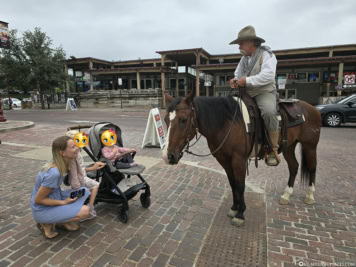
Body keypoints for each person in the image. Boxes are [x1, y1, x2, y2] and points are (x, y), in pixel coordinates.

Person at [229, 25, 280, 166]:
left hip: (263, 92)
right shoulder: (244, 58)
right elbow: (238, 74)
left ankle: (273, 150)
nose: (238, 46)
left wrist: (247, 81)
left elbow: (269, 76)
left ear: (251, 42)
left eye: (241, 43)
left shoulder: (267, 54)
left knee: (269, 112)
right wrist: (235, 81)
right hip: (247, 93)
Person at [30, 136, 91, 239]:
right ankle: (45, 223)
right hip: (42, 209)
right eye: (73, 147)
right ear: (62, 153)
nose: (77, 148)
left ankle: (61, 221)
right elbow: (38, 200)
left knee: (84, 191)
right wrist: (64, 202)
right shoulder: (54, 173)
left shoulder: (64, 163)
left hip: (56, 196)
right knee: (85, 211)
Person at [65, 130, 106, 220]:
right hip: (79, 179)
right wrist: (77, 185)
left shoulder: (76, 152)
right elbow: (75, 172)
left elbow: (80, 168)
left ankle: (83, 206)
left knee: (80, 193)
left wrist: (93, 168)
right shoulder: (75, 155)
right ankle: (90, 207)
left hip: (80, 177)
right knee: (95, 185)